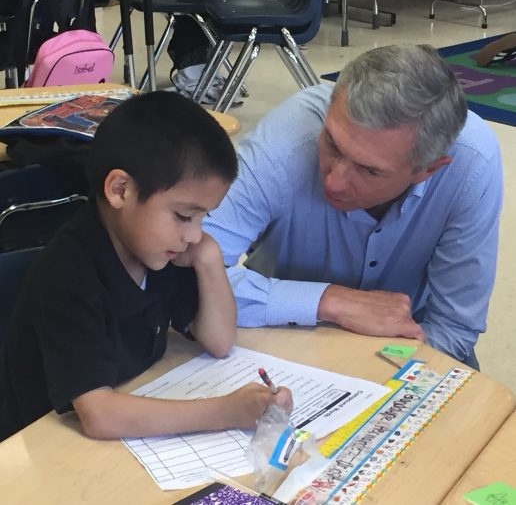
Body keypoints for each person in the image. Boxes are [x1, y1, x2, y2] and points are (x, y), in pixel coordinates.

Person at [0, 91, 292, 442]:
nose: (194, 234)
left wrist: (210, 259)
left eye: (203, 217)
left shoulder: (159, 249)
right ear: (120, 190)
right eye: (184, 216)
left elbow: (219, 340)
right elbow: (99, 415)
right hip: (38, 445)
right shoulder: (68, 271)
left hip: (131, 409)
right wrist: (225, 411)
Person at [203, 44, 504, 369]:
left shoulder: (471, 162)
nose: (334, 182)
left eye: (370, 170)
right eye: (332, 143)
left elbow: (453, 328)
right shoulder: (282, 144)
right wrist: (330, 300)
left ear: (428, 169)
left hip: (408, 338)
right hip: (278, 326)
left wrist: (374, 374)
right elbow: (185, 276)